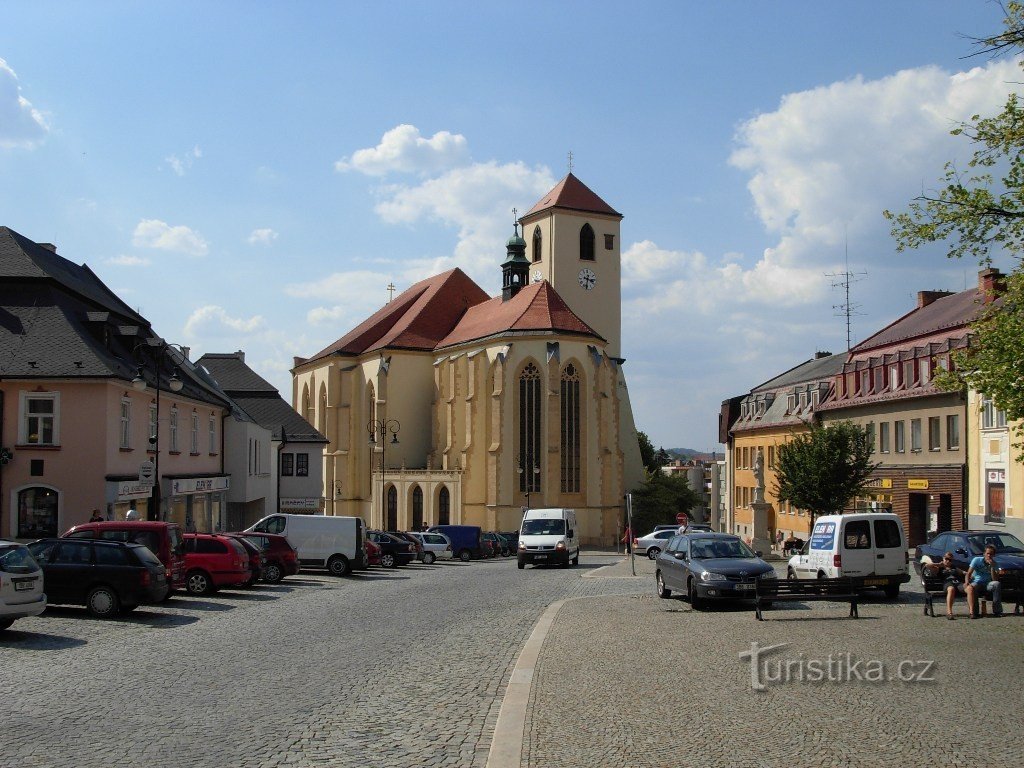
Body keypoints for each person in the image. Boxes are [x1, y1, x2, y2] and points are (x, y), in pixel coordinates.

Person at [923, 552, 967, 620]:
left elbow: (964, 572)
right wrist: (939, 564)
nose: (948, 561)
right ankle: (949, 612)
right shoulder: (939, 568)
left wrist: (969, 575)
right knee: (951, 589)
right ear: (943, 558)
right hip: (947, 584)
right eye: (946, 559)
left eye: (950, 560)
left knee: (970, 588)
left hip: (957, 584)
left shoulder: (954, 567)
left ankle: (972, 612)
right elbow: (927, 566)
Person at [965, 544, 1003, 618]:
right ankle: (975, 612)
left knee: (997, 584)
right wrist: (967, 582)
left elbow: (995, 579)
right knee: (973, 587)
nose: (989, 556)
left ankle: (997, 611)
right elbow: (968, 573)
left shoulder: (995, 564)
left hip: (987, 584)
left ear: (993, 555)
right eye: (987, 553)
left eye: (991, 554)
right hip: (976, 582)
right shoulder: (976, 560)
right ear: (984, 554)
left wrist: (992, 567)